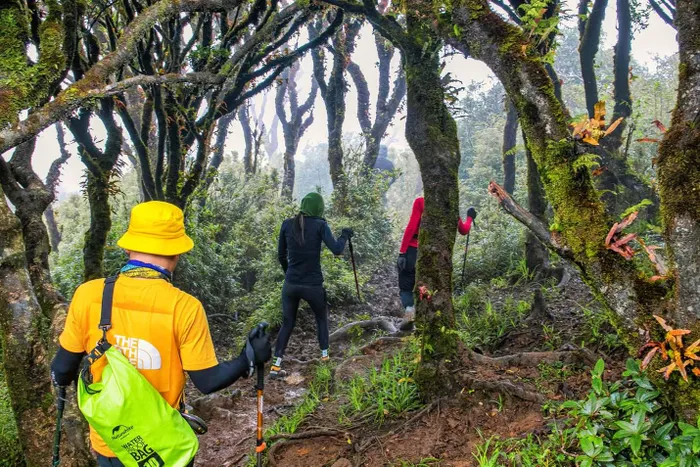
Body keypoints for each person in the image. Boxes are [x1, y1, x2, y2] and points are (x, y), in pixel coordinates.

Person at [50, 201, 271, 466]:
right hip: (162, 447)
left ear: (128, 246)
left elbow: (62, 369)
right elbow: (208, 381)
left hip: (112, 442)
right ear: (177, 252)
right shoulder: (184, 307)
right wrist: (247, 358)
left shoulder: (88, 294)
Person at [271, 192, 353, 377]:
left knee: (287, 323)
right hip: (313, 285)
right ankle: (325, 358)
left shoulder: (287, 224)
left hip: (291, 285)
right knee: (321, 319)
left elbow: (280, 256)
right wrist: (345, 235)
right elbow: (337, 249)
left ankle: (276, 365)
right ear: (318, 208)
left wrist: (289, 274)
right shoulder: (320, 225)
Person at [397, 197, 476, 328]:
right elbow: (463, 230)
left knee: (406, 287)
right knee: (427, 286)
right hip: (437, 254)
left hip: (413, 250)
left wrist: (402, 251)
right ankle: (429, 322)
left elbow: (412, 226)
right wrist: (470, 218)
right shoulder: (450, 205)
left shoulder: (421, 201)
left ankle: (410, 312)